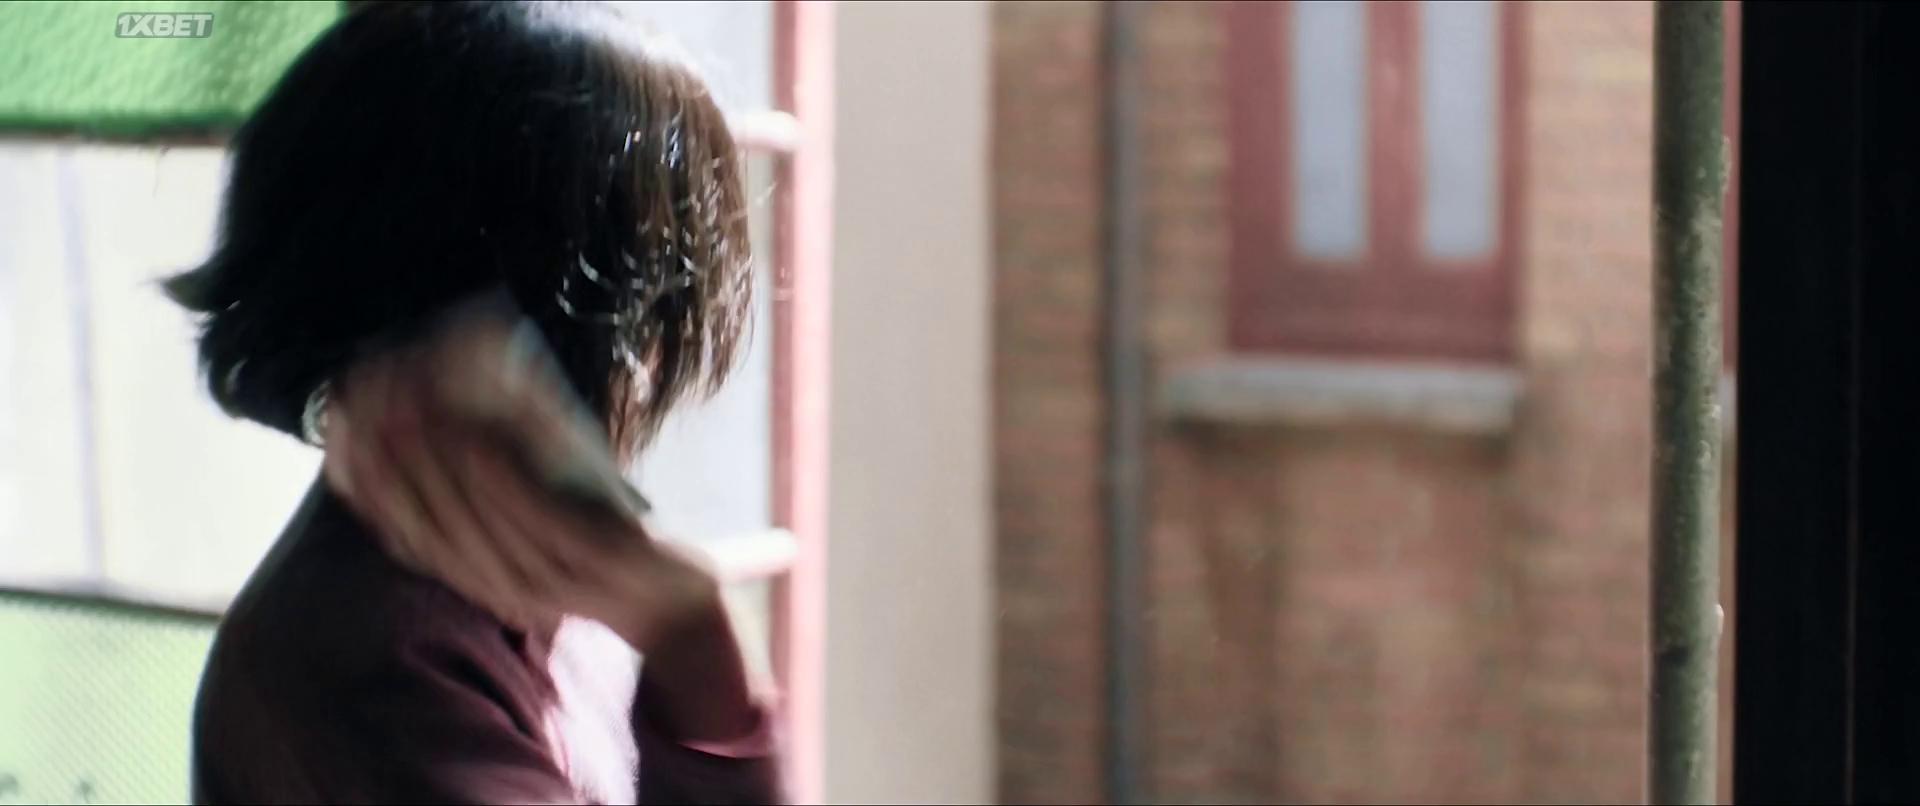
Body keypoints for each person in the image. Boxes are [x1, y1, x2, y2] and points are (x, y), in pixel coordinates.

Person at [168, 2, 780, 802]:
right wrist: (695, 644)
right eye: (645, 320)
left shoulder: (537, 591)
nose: (648, 369)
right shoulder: (377, 662)